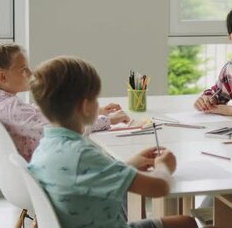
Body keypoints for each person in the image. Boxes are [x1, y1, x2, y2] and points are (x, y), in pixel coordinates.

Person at [28, 56, 197, 228]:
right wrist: (164, 166)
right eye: (96, 98)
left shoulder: (44, 148)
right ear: (85, 106)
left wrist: (127, 166)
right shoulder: (83, 155)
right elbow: (159, 188)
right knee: (187, 223)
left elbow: (89, 176)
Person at [0, 43, 130, 161]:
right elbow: (63, 132)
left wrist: (94, 112)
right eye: (23, 69)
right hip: (50, 175)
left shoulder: (3, 104)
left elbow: (42, 113)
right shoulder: (12, 109)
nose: (30, 73)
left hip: (42, 169)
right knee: (118, 167)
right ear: (2, 77)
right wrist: (107, 120)